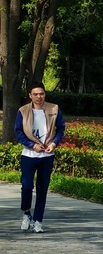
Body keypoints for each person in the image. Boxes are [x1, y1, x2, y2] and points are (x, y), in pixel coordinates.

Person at [15, 83, 65, 233]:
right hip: (29, 155)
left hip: (47, 155)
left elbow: (61, 128)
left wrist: (54, 143)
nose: (39, 97)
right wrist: (32, 145)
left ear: (45, 94)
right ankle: (26, 214)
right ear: (30, 95)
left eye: (41, 93)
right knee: (27, 186)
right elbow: (18, 132)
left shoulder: (54, 109)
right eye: (35, 94)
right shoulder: (23, 111)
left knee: (42, 189)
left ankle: (38, 221)